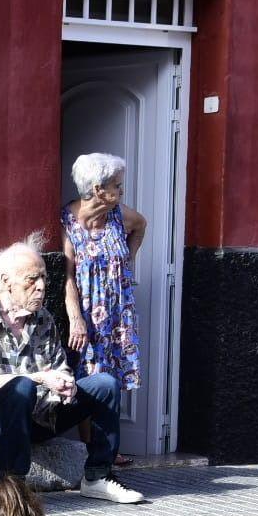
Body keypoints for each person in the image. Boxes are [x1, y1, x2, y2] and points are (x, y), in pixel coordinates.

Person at [0, 233, 144, 503]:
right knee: (22, 387)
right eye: (32, 279)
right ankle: (13, 488)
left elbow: (59, 367)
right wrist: (40, 378)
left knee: (105, 385)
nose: (41, 286)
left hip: (42, 414)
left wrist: (66, 383)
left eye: (43, 278)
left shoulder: (43, 319)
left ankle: (98, 477)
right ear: (6, 281)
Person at [61, 152, 146, 396]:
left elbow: (141, 226)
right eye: (117, 186)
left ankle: (108, 422)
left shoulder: (119, 215)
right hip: (88, 314)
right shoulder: (67, 223)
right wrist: (76, 319)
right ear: (98, 189)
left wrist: (127, 263)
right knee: (87, 381)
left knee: (115, 381)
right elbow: (68, 277)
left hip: (118, 311)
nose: (122, 191)